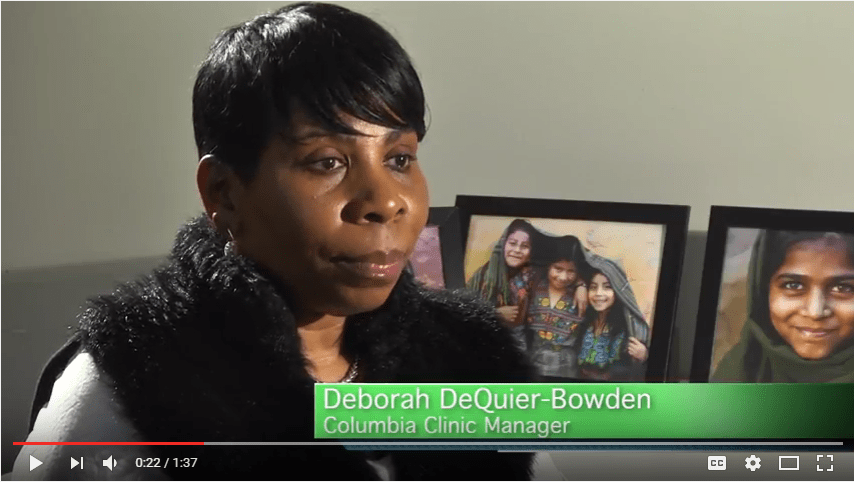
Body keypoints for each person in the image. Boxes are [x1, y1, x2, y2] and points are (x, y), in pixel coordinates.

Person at [13, 3, 535, 480]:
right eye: (327, 162)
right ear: (224, 193)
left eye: (399, 159)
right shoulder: (130, 385)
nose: (385, 201)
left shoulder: (473, 361)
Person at [711, 230, 854, 382]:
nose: (815, 312)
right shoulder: (740, 370)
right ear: (763, 291)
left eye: (842, 288)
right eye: (793, 285)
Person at [467, 220, 587, 341]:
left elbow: (560, 272)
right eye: (512, 243)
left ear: (531, 252)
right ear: (503, 244)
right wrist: (494, 313)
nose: (517, 250)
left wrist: (581, 285)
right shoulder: (482, 276)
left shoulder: (533, 274)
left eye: (524, 246)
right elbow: (462, 314)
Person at [520, 235, 589, 379]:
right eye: (558, 269)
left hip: (566, 367)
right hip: (534, 360)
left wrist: (581, 284)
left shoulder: (581, 295)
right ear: (548, 266)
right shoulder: (536, 285)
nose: (563, 277)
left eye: (571, 271)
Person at [574, 254, 650, 381]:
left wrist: (645, 355)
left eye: (607, 287)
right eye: (593, 287)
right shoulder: (583, 320)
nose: (598, 293)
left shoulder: (628, 327)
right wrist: (580, 285)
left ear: (618, 291)